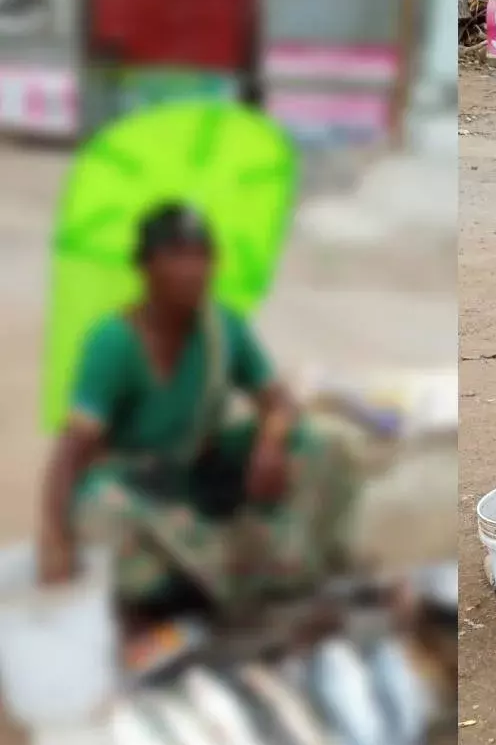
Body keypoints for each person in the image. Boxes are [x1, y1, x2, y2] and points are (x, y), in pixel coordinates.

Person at [37, 202, 360, 616]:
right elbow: (69, 454)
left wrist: (271, 443)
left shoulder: (223, 327)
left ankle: (279, 561)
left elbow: (278, 401)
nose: (193, 270)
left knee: (324, 442)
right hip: (143, 489)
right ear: (145, 266)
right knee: (101, 512)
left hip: (202, 474)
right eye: (176, 256)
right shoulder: (112, 343)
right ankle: (225, 575)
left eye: (202, 256)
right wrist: (56, 541)